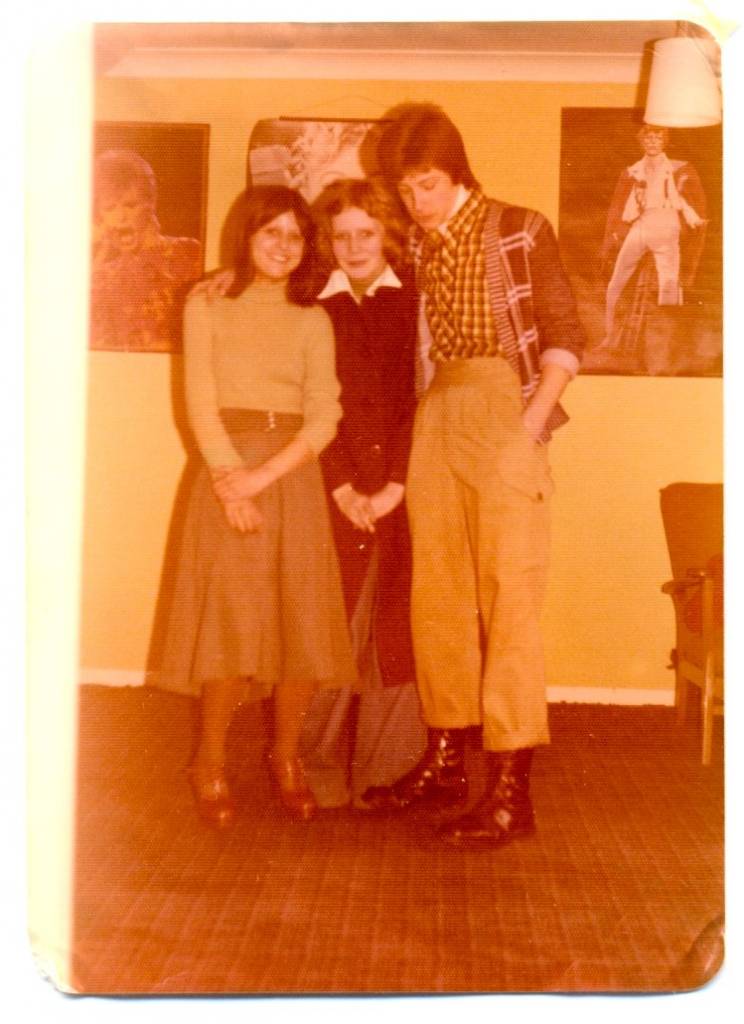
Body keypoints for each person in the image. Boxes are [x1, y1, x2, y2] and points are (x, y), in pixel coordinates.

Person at [360, 103, 586, 847]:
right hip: (441, 411)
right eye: (406, 191)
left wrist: (527, 429)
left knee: (509, 599)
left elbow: (564, 336)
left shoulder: (520, 227)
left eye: (426, 184)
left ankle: (511, 793)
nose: (418, 203)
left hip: (504, 408)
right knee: (439, 597)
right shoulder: (421, 249)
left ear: (454, 170)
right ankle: (447, 759)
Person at [157, 185, 356, 828]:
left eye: (295, 236)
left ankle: (286, 757)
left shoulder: (313, 318)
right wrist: (228, 479)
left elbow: (325, 414)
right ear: (245, 236)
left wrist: (263, 478)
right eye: (270, 232)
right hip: (225, 470)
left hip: (290, 475)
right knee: (231, 624)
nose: (283, 247)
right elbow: (199, 398)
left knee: (302, 625)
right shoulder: (207, 301)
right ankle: (208, 761)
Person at [298, 178, 427, 808]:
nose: (353, 246)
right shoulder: (311, 307)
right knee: (332, 625)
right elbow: (312, 407)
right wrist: (345, 487)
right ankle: (314, 765)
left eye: (366, 233)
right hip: (334, 487)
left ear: (387, 236)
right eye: (341, 235)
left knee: (395, 627)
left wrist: (395, 487)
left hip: (404, 490)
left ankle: (384, 770)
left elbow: (420, 401)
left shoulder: (417, 304)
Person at [599, 123, 707, 347]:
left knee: (669, 284)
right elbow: (620, 206)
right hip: (641, 225)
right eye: (648, 138)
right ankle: (609, 337)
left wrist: (691, 218)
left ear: (664, 142)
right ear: (642, 141)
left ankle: (666, 345)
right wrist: (615, 234)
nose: (652, 142)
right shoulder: (633, 170)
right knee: (615, 283)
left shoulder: (679, 168)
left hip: (667, 226)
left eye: (657, 139)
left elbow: (689, 200)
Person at [90, 149, 203, 351]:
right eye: (109, 208)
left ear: (150, 204)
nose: (121, 217)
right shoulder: (100, 276)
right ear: (100, 216)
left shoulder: (189, 253)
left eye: (130, 205)